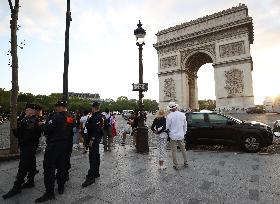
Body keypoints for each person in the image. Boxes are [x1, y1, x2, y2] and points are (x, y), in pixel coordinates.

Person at [35, 101, 74, 203]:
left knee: (49, 168)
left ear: (60, 107)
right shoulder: (71, 116)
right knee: (61, 166)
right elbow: (70, 130)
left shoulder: (56, 116)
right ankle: (61, 187)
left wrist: (41, 124)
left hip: (54, 145)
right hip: (65, 145)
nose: (55, 109)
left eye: (56, 107)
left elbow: (47, 129)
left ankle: (49, 192)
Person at [2, 104, 41, 199]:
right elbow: (20, 133)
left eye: (27, 110)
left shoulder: (33, 121)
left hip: (29, 146)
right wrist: (16, 130)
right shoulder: (25, 119)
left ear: (32, 111)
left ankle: (17, 186)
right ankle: (30, 181)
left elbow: (28, 136)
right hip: (27, 146)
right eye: (26, 110)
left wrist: (20, 138)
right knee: (31, 163)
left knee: (23, 166)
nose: (25, 111)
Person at [82, 102, 103, 187]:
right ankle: (96, 172)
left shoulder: (96, 116)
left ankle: (91, 177)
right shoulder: (99, 116)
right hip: (96, 139)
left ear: (93, 107)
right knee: (96, 155)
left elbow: (96, 129)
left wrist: (92, 139)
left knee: (93, 157)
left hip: (93, 139)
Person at [166, 102, 188, 170]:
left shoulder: (169, 116)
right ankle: (186, 162)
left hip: (173, 136)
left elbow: (167, 127)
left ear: (170, 109)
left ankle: (176, 165)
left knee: (174, 151)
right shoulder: (182, 114)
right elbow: (185, 125)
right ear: (176, 107)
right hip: (181, 135)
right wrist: (183, 133)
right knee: (183, 149)